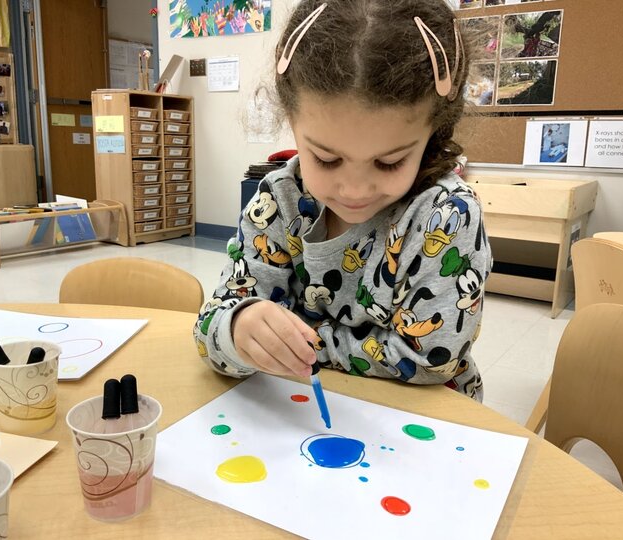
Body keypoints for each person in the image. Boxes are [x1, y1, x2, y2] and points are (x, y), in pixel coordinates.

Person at [194, 0, 491, 401]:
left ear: (434, 130)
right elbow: (212, 322)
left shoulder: (446, 214)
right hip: (296, 418)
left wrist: (303, 343)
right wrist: (238, 327)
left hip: (425, 423)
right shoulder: (281, 199)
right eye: (326, 159)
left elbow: (429, 359)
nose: (353, 190)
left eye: (389, 162)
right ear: (291, 122)